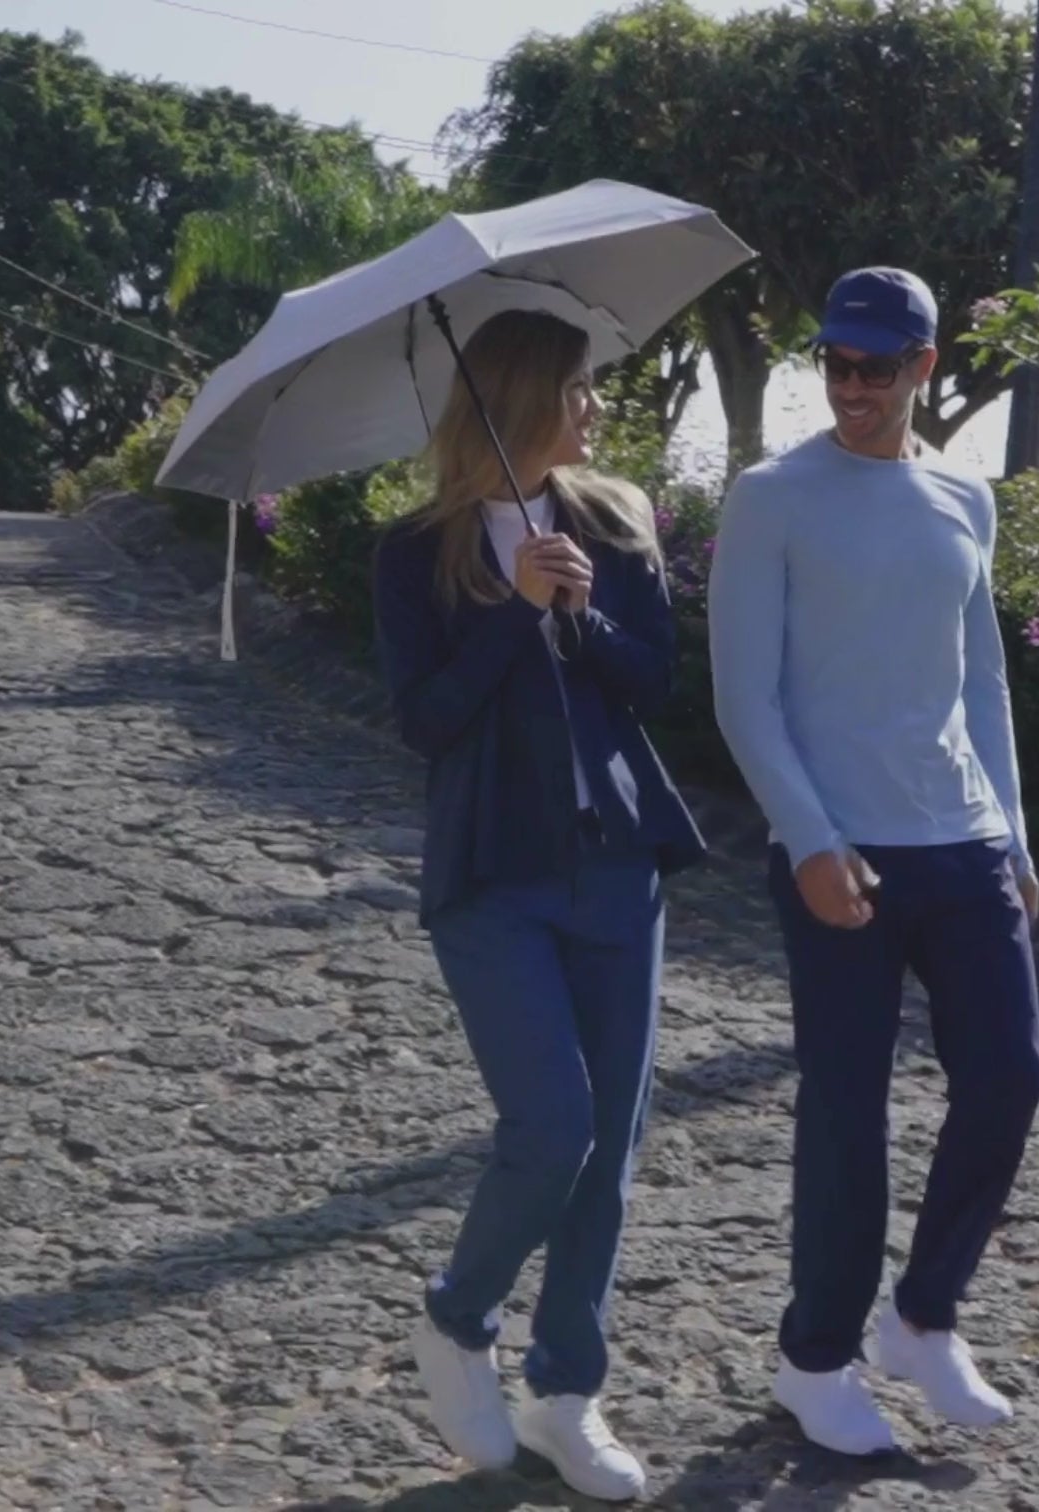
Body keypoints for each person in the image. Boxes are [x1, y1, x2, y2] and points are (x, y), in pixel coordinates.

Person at [707, 267, 1039, 1457]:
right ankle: (815, 1360)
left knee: (1009, 1078)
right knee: (847, 1114)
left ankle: (921, 1319)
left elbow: (980, 679)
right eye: (835, 365)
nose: (850, 387)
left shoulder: (963, 496)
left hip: (961, 842)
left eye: (875, 367)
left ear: (923, 366)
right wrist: (808, 840)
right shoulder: (771, 497)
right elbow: (743, 696)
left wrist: (1012, 834)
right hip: (838, 851)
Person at [373, 308, 705, 1502]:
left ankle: (566, 1395)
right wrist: (514, 608)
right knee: (552, 1127)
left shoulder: (612, 521)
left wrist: (580, 611)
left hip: (617, 867)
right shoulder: (415, 551)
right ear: (519, 399)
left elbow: (653, 682)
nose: (593, 408)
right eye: (575, 389)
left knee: (606, 1153)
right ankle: (457, 1319)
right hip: (491, 879)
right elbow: (427, 722)